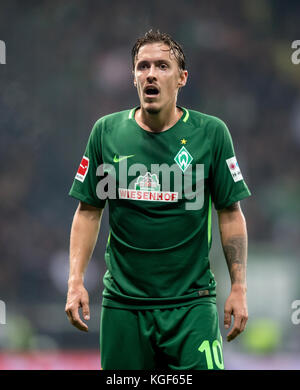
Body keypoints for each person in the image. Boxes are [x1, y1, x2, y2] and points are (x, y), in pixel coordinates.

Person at [65, 30, 251, 370]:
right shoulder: (106, 132)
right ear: (133, 77)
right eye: (142, 66)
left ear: (182, 79)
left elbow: (230, 212)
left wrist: (239, 287)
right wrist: (75, 280)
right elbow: (88, 210)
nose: (150, 74)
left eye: (162, 66)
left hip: (191, 306)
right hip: (123, 306)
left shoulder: (211, 134)